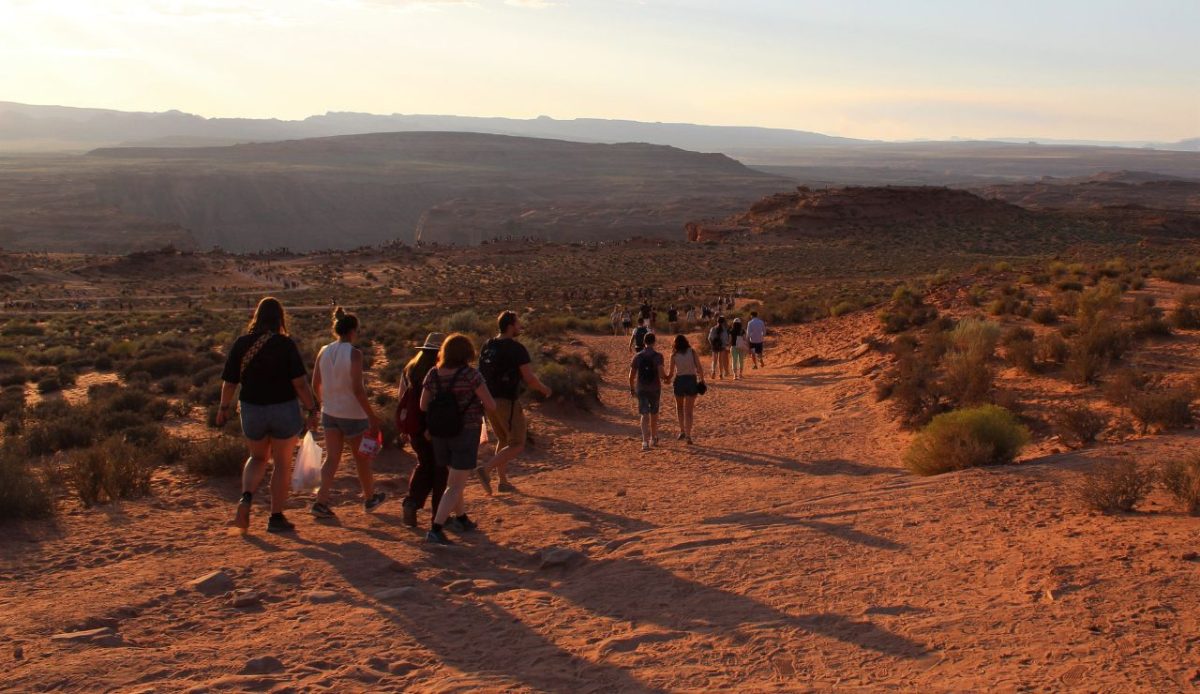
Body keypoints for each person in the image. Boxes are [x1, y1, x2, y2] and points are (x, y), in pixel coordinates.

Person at [218, 297, 319, 534]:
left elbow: (229, 382)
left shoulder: (241, 343)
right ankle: (276, 517)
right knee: (282, 464)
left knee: (257, 458)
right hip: (283, 408)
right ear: (280, 318)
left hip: (252, 409)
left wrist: (223, 408)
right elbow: (301, 384)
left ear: (257, 316)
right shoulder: (285, 344)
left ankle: (245, 498)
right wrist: (311, 409)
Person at [419, 333, 497, 545]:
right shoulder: (471, 375)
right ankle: (435, 529)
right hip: (466, 432)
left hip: (440, 433)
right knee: (455, 484)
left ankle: (461, 519)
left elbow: (423, 405)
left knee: (454, 479)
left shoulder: (433, 374)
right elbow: (491, 405)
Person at [310, 307, 385, 519]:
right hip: (352, 414)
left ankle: (320, 502)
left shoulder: (323, 351)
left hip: (330, 412)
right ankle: (370, 498)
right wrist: (371, 415)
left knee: (332, 458)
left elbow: (316, 382)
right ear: (353, 330)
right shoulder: (355, 354)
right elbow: (358, 389)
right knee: (361, 459)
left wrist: (324, 401)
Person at [479, 311, 552, 493]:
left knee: (503, 439)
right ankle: (485, 470)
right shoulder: (515, 348)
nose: (520, 326)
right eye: (518, 322)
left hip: (488, 401)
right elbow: (529, 378)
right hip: (507, 401)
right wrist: (545, 389)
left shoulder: (488, 345)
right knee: (517, 443)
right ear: (511, 325)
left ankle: (503, 482)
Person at [399, 333, 446, 528]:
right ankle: (439, 515)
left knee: (425, 465)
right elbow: (435, 404)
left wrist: (404, 426)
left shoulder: (410, 369)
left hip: (413, 427)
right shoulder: (437, 371)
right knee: (440, 470)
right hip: (431, 428)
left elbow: (401, 397)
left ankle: (412, 502)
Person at [629, 332, 667, 452]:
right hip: (655, 388)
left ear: (644, 342)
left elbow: (631, 376)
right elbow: (661, 374)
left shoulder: (637, 356)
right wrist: (667, 377)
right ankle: (654, 437)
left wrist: (632, 388)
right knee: (654, 414)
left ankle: (644, 441)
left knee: (644, 414)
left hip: (641, 388)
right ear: (654, 342)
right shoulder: (658, 356)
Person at [665, 334, 705, 444]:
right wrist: (702, 380)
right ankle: (688, 435)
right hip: (691, 380)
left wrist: (666, 378)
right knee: (689, 411)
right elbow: (699, 367)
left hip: (679, 381)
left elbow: (671, 373)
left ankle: (682, 430)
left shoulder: (674, 355)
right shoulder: (692, 352)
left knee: (679, 407)